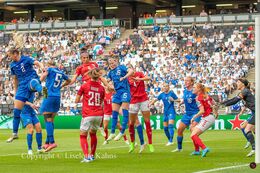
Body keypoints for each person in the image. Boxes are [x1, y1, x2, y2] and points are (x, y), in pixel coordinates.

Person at [7, 47, 45, 143]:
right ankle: (15, 133)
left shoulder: (26, 59)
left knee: (33, 83)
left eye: (10, 55)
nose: (9, 57)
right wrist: (16, 91)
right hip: (22, 87)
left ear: (15, 54)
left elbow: (36, 62)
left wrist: (42, 67)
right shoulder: (12, 65)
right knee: (16, 111)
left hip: (31, 79)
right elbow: (15, 78)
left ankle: (44, 92)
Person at [40, 60, 71, 152]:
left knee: (47, 118)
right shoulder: (60, 72)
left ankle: (52, 142)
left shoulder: (49, 69)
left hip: (48, 95)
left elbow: (44, 73)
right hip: (57, 96)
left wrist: (37, 82)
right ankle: (47, 142)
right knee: (51, 119)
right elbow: (69, 80)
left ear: (49, 65)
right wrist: (61, 86)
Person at [75, 68, 105, 162]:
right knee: (93, 134)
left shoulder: (84, 86)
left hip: (88, 113)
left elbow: (76, 100)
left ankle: (86, 156)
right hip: (99, 114)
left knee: (83, 135)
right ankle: (92, 155)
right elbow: (101, 102)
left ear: (89, 76)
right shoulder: (101, 88)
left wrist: (84, 99)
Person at [221, 78, 255, 157]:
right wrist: (223, 103)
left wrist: (223, 104)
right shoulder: (244, 92)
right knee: (245, 127)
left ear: (243, 84)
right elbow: (235, 100)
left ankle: (254, 148)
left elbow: (235, 100)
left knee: (247, 129)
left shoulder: (245, 91)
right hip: (254, 112)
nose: (236, 83)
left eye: (238, 82)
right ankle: (251, 143)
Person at [106, 55, 134, 141]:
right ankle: (113, 132)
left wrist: (124, 77)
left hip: (125, 91)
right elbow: (108, 82)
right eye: (110, 63)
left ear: (116, 61)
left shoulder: (121, 67)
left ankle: (122, 132)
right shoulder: (110, 73)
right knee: (114, 113)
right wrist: (109, 85)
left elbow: (131, 71)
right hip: (116, 93)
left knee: (125, 111)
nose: (112, 64)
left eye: (113, 62)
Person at [128, 65, 154, 153]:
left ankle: (150, 144)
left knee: (147, 122)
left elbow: (148, 78)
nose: (129, 71)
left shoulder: (139, 74)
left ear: (133, 69)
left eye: (130, 68)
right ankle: (132, 143)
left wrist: (139, 79)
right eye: (128, 70)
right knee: (131, 123)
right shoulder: (126, 78)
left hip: (143, 99)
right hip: (133, 101)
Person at [172, 76, 201, 152]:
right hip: (187, 114)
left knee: (193, 130)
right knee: (179, 130)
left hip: (195, 113)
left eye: (187, 81)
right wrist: (181, 103)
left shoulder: (195, 91)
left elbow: (199, 99)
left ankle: (197, 150)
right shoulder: (185, 91)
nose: (185, 82)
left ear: (192, 82)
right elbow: (186, 99)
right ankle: (179, 148)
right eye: (185, 81)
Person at [190, 83, 218, 157]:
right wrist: (215, 112)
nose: (193, 88)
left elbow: (202, 111)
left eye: (194, 87)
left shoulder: (198, 98)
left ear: (198, 89)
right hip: (210, 117)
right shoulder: (207, 96)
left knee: (193, 135)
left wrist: (194, 117)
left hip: (207, 117)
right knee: (193, 131)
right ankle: (196, 150)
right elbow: (215, 104)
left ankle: (204, 148)